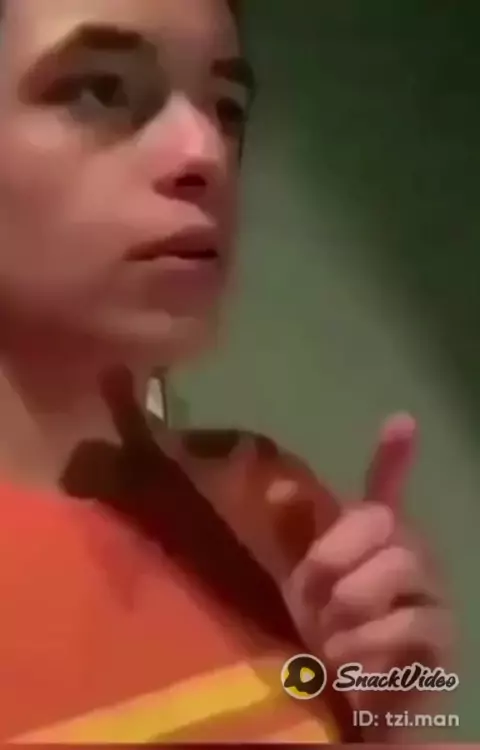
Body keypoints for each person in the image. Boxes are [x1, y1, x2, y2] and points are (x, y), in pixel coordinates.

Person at [0, 0, 452, 743]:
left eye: (226, 107)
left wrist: (386, 710)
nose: (204, 150)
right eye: (101, 90)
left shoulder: (270, 508)